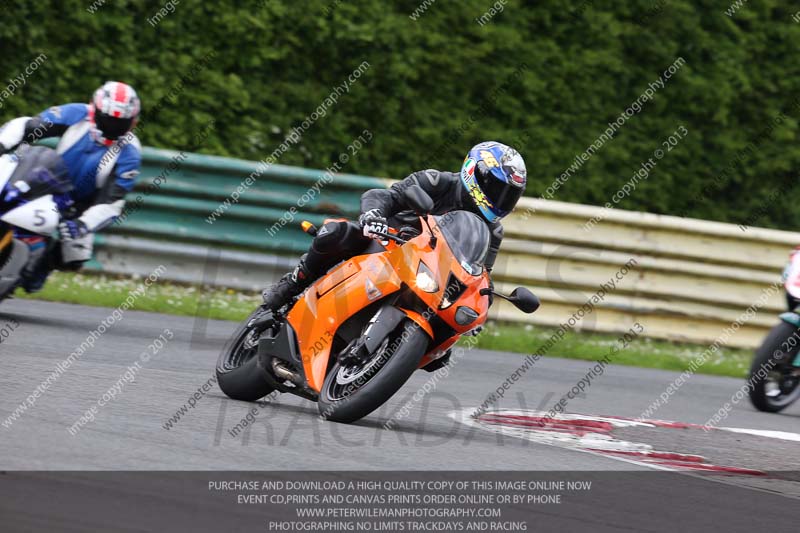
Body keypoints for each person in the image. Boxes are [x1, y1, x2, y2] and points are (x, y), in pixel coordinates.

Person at [262, 140, 527, 312]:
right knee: (336, 233)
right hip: (385, 242)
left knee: (447, 339)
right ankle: (293, 283)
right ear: (475, 173)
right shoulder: (437, 182)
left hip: (426, 276)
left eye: (507, 195)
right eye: (496, 189)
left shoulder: (493, 231)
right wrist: (373, 215)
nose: (499, 199)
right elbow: (385, 195)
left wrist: (482, 298)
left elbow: (481, 274)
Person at [0, 81, 142, 292]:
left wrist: (82, 224)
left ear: (132, 122)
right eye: (108, 119)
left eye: (119, 122)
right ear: (95, 109)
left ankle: (36, 267)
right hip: (43, 179)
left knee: (73, 257)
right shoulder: (76, 113)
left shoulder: (130, 153)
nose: (112, 126)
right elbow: (26, 126)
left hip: (79, 205)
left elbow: (112, 203)